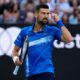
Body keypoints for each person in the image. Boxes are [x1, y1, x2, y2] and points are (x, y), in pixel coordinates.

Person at [11, 4, 73, 80]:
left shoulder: (52, 30)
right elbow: (15, 51)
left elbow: (69, 39)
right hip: (30, 74)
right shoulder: (25, 31)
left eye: (47, 13)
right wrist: (15, 59)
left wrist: (58, 22)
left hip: (47, 73)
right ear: (36, 14)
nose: (46, 16)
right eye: (43, 13)